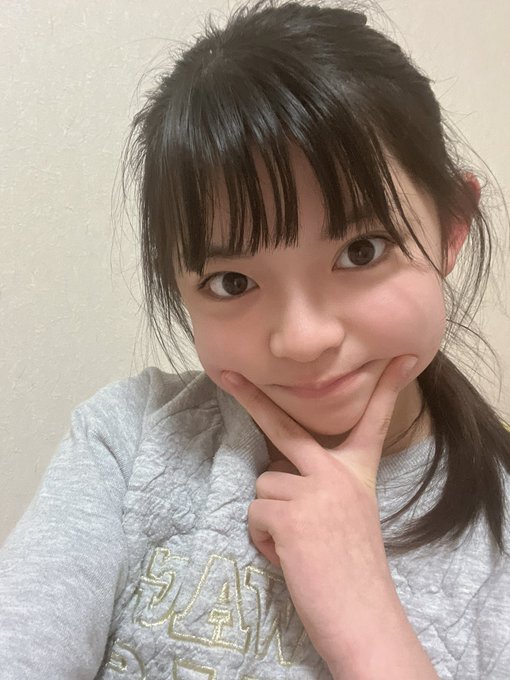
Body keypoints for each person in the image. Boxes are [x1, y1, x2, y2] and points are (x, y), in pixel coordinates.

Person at [1, 0, 509, 678]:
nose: (302, 339)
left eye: (361, 250)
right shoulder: (127, 440)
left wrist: (372, 632)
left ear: (452, 227)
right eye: (233, 282)